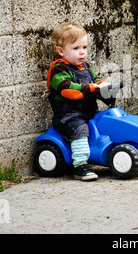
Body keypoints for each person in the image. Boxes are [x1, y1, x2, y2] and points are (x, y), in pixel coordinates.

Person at [46, 23, 110, 181]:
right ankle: (80, 165)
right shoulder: (59, 70)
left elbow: (95, 79)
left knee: (106, 121)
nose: (82, 52)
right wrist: (91, 87)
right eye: (76, 48)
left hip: (89, 112)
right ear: (61, 51)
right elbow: (68, 89)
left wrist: (103, 84)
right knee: (80, 130)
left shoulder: (85, 67)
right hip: (69, 116)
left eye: (84, 47)